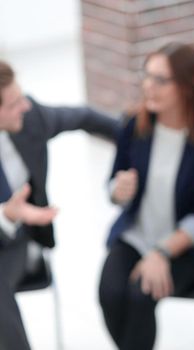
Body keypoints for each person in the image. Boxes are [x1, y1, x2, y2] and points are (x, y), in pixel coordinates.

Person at [98, 42, 194, 350]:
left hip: (183, 245)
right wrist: (118, 191)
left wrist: (161, 253)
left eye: (160, 80)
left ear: (187, 87)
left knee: (140, 296)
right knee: (109, 293)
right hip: (135, 235)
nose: (148, 86)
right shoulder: (133, 124)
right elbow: (112, 185)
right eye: (147, 76)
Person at [0, 59, 119, 349]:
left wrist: (137, 139)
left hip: (14, 241)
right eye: (14, 103)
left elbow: (84, 117)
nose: (24, 107)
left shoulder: (32, 120)